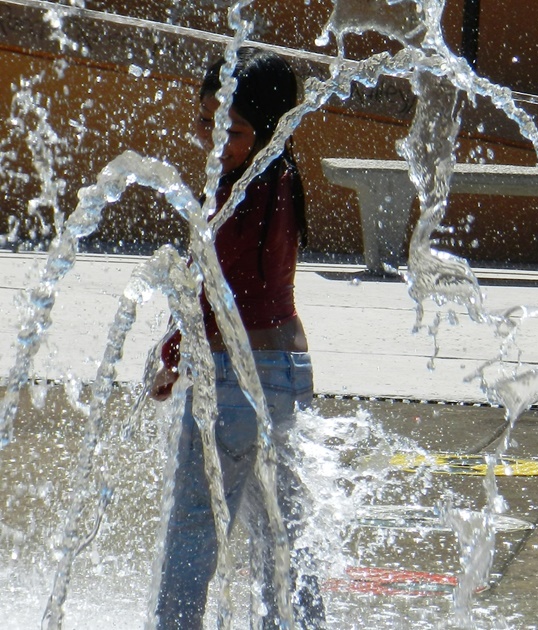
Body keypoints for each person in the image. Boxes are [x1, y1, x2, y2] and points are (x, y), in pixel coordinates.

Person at [149, 47, 324, 629]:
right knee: (283, 531)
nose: (215, 137)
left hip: (231, 380)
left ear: (269, 129)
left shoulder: (237, 193)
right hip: (288, 375)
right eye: (206, 119)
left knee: (194, 521)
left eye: (235, 128)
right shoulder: (283, 179)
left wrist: (173, 353)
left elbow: (216, 295)